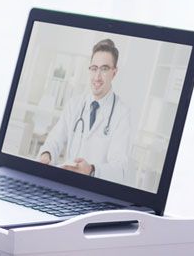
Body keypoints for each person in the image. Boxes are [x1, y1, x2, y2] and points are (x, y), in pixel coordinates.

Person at [38, 39, 131, 184]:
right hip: (67, 183)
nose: (97, 77)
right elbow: (55, 140)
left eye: (104, 69)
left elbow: (120, 169)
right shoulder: (74, 104)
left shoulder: (122, 113)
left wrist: (92, 170)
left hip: (97, 189)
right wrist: (46, 154)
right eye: (94, 68)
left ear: (114, 72)